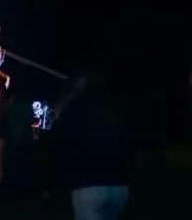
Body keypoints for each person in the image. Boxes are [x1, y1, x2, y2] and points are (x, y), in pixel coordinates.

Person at [52, 60, 137, 220]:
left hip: (87, 184)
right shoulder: (116, 106)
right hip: (119, 184)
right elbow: (131, 141)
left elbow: (61, 145)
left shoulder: (75, 107)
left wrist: (54, 183)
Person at [1, 86, 35, 194]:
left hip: (13, 139)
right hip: (26, 138)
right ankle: (24, 187)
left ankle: (11, 187)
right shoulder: (28, 107)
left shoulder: (11, 107)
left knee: (12, 165)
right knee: (24, 164)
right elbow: (32, 120)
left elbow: (5, 121)